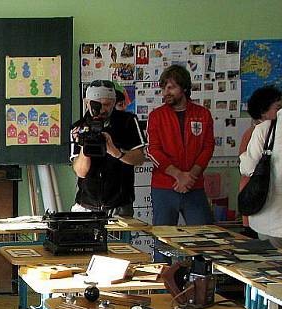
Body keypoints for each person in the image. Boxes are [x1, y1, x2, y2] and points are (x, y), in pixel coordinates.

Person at [147, 65, 215, 225]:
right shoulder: (156, 116)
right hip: (164, 187)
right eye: (164, 88)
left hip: (194, 185)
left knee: (204, 238)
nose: (166, 93)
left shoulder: (203, 114)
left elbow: (208, 147)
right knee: (163, 242)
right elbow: (153, 150)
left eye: (171, 87)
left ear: (184, 87)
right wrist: (178, 175)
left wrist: (190, 176)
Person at [70, 80, 146, 216]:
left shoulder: (128, 121)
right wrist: (85, 144)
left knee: (120, 238)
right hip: (87, 203)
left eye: (107, 104)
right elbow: (81, 172)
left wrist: (115, 151)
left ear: (114, 102)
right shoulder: (78, 127)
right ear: (87, 103)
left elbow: (139, 158)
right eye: (97, 105)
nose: (103, 109)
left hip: (119, 204)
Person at [239, 86, 282, 234]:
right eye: (278, 107)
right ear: (263, 111)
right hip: (260, 202)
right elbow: (248, 171)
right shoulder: (256, 132)